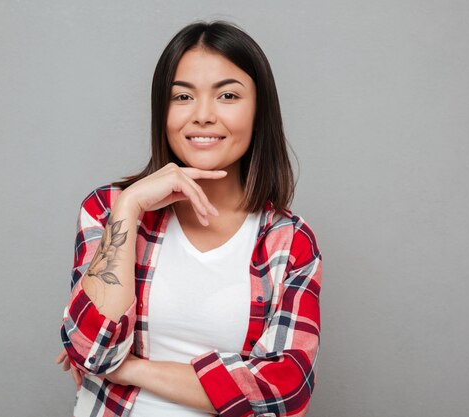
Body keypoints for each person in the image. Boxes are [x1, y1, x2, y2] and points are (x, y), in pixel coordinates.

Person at [55, 20, 323, 417]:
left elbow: (286, 390)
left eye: (227, 95)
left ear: (259, 110)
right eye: (182, 97)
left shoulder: (288, 241)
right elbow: (93, 349)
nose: (202, 116)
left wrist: (132, 369)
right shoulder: (109, 207)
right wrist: (129, 208)